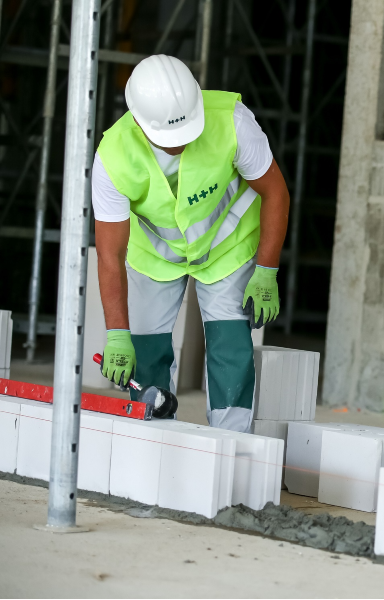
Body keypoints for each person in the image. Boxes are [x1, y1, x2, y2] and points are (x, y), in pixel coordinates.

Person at [92, 54, 289, 432]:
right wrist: (117, 333)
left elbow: (275, 192)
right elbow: (110, 254)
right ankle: (152, 439)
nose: (181, 142)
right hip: (156, 255)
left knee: (231, 349)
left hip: (227, 247)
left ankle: (231, 446)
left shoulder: (232, 122)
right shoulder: (113, 158)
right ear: (138, 121)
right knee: (145, 353)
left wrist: (266, 270)